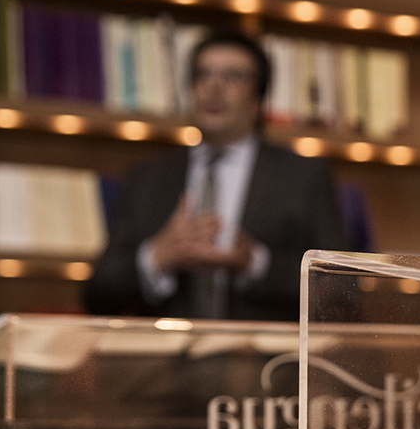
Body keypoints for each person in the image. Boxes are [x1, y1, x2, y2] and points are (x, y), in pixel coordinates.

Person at [84, 30, 349, 321]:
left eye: (233, 77)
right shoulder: (146, 178)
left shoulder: (303, 177)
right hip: (167, 348)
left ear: (258, 99)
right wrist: (156, 258)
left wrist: (255, 263)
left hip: (263, 348)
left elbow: (341, 291)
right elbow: (97, 295)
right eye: (203, 74)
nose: (214, 87)